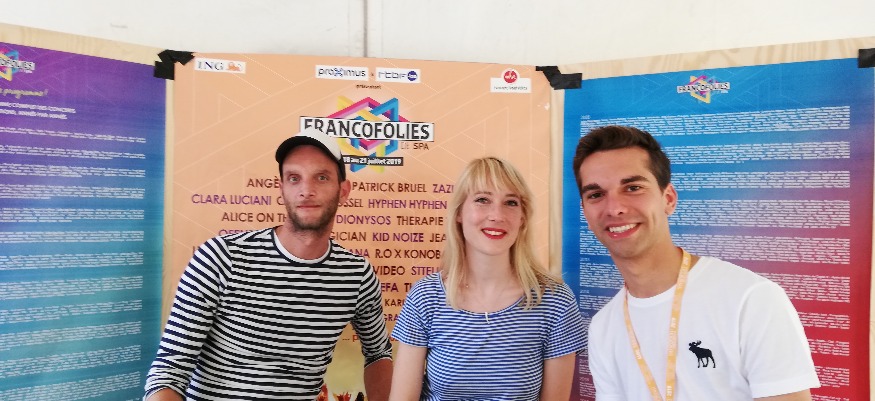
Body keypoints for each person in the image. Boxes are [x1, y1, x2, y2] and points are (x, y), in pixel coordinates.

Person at [572, 125, 820, 401]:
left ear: (668, 199)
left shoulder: (750, 299)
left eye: (633, 188)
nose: (614, 208)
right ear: (585, 211)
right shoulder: (604, 327)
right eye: (596, 195)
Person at [144, 127, 393, 401]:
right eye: (294, 178)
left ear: (343, 191)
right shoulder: (221, 257)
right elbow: (169, 372)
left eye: (321, 177)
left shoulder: (356, 275)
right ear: (281, 188)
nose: (306, 190)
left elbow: (379, 353)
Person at [389, 157, 586, 401]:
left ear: (523, 217)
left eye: (510, 202)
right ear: (459, 213)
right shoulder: (426, 296)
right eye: (482, 200)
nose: (497, 215)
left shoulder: (555, 301)